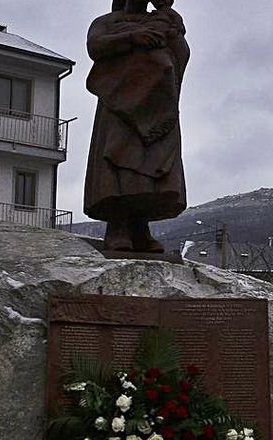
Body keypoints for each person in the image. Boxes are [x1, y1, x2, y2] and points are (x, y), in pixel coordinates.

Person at [84, 0, 190, 252]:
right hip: (120, 102)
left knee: (152, 165)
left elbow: (180, 55)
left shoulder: (163, 20)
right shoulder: (107, 22)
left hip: (157, 105)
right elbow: (95, 46)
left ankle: (141, 227)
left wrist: (174, 31)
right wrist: (133, 37)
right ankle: (118, 226)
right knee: (119, 159)